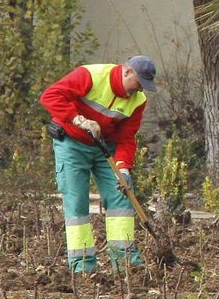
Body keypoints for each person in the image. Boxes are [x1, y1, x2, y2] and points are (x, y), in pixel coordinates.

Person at [39, 55, 157, 273]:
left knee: (121, 196)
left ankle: (126, 264)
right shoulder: (91, 75)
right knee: (77, 203)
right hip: (72, 144)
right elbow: (50, 96)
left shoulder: (138, 101)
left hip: (107, 147)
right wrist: (79, 120)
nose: (139, 90)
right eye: (139, 83)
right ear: (127, 71)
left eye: (144, 87)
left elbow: (127, 138)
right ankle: (83, 266)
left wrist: (123, 168)